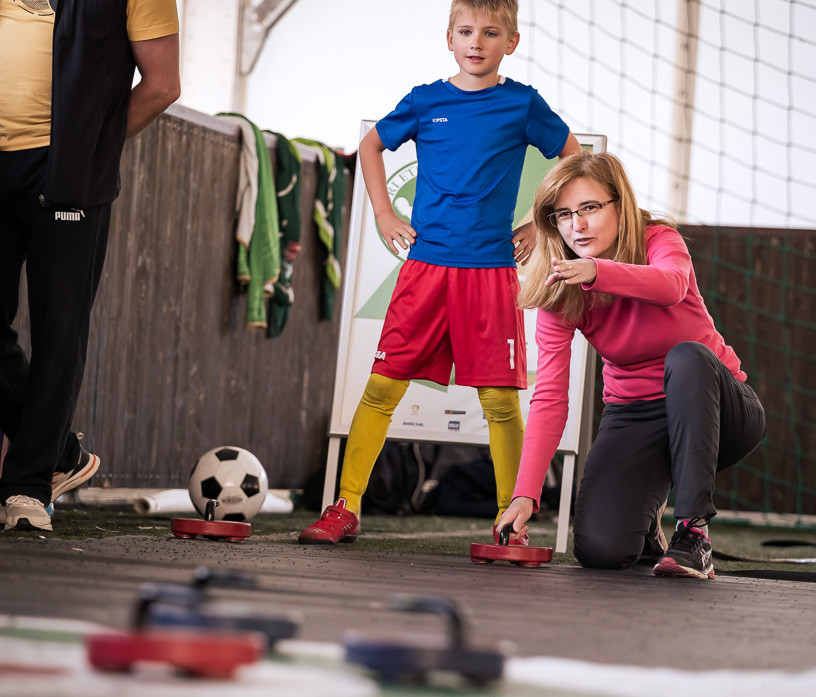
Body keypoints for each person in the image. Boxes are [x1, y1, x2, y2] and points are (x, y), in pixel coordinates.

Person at [299, 0, 581, 544]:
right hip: (425, 269)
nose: (477, 42)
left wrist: (541, 223)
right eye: (466, 31)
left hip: (490, 273)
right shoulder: (425, 100)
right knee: (382, 388)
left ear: (511, 43)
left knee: (500, 402)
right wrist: (384, 213)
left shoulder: (523, 104)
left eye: (491, 33)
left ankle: (510, 522)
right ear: (449, 38)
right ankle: (345, 506)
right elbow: (371, 145)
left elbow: (573, 160)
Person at [0, 0, 181, 532]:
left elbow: (163, 85)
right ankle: (63, 454)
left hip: (67, 170)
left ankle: (27, 486)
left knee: (59, 329)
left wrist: (88, 149)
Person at [495, 152, 767, 579]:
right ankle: (645, 531)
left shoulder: (659, 239)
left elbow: (671, 285)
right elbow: (549, 397)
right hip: (637, 416)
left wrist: (596, 271)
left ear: (620, 205)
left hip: (719, 412)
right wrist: (524, 495)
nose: (577, 225)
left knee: (687, 356)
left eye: (589, 208)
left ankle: (693, 533)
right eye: (564, 214)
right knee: (600, 550)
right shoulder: (560, 288)